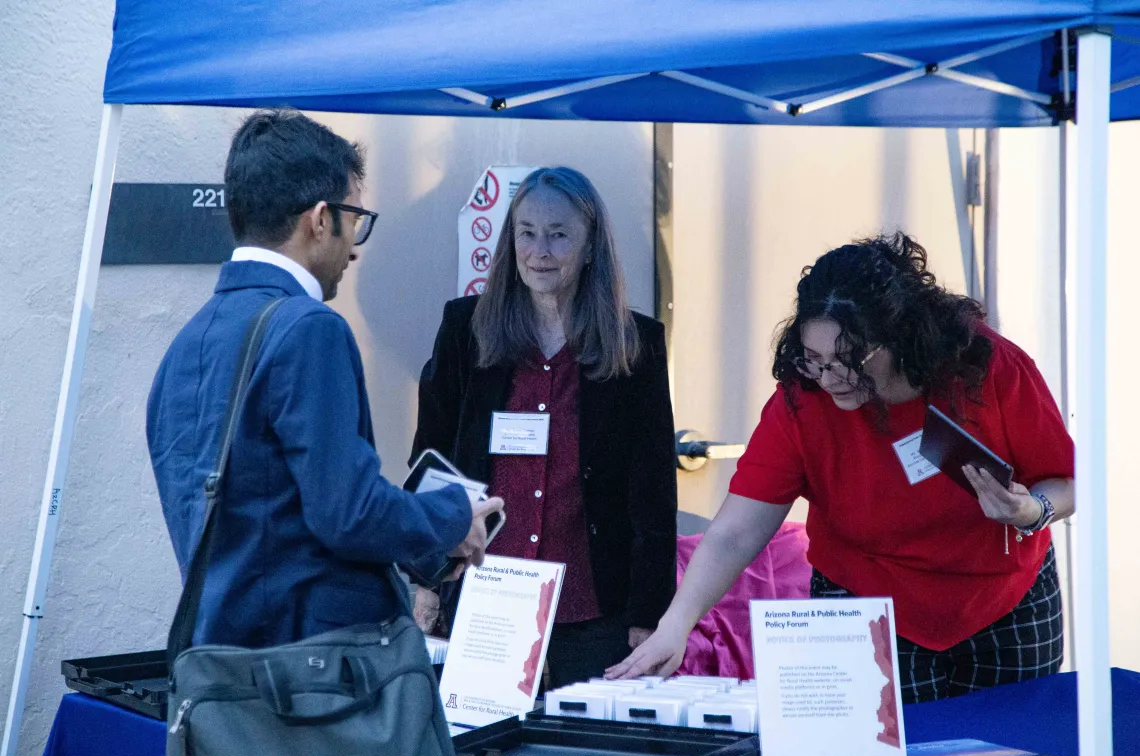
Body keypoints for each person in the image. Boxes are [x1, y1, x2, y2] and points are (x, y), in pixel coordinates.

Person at [608, 233, 1074, 703]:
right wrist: (676, 623)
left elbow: (1069, 483)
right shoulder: (802, 399)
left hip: (1005, 602)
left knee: (1011, 746)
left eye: (850, 360)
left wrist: (1031, 511)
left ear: (900, 337)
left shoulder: (989, 367)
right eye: (815, 360)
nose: (831, 379)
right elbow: (736, 531)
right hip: (866, 600)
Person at [146, 109, 502, 647]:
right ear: (319, 219)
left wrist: (427, 546)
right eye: (355, 218)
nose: (356, 246)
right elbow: (349, 512)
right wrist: (453, 518)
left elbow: (274, 516)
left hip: (222, 664)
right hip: (308, 681)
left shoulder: (187, 343)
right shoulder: (310, 327)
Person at [411, 167, 678, 688]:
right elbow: (432, 461)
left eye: (559, 235)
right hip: (487, 592)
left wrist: (650, 614)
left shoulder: (635, 344)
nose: (540, 251)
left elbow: (652, 491)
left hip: (595, 605)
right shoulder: (466, 330)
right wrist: (426, 577)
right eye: (526, 233)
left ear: (590, 245)